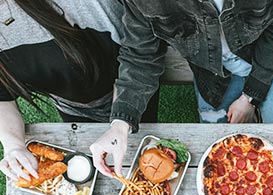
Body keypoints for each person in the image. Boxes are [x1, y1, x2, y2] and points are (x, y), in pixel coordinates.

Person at [90, 0, 273, 177]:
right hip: (213, 76)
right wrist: (120, 124)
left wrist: (250, 97)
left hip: (271, 64)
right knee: (218, 164)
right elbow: (140, 56)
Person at [0, 0, 158, 182]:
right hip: (71, 106)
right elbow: (2, 95)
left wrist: (122, 121)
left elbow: (139, 54)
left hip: (130, 91)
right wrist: (13, 145)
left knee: (140, 159)